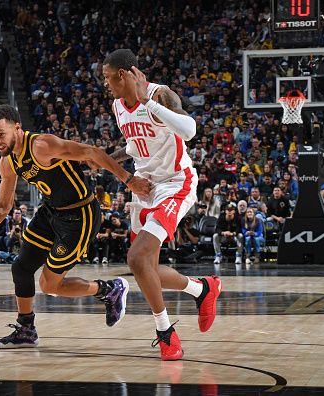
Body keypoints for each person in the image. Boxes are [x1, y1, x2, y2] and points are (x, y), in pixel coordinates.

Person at [0, 104, 151, 349]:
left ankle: (109, 289)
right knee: (21, 268)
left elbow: (93, 152)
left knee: (49, 285)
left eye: (1, 134)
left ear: (17, 128)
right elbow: (3, 205)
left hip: (80, 214)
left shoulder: (42, 145)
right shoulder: (7, 162)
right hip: (50, 212)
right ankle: (26, 329)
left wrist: (129, 180)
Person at [102, 49, 221, 360]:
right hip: (144, 189)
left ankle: (165, 332)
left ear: (124, 74)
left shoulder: (160, 94)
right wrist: (105, 159)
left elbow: (190, 130)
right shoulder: (117, 106)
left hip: (175, 184)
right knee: (146, 267)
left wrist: (148, 102)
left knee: (136, 257)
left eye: (107, 77)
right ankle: (202, 289)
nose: (105, 84)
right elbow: (136, 144)